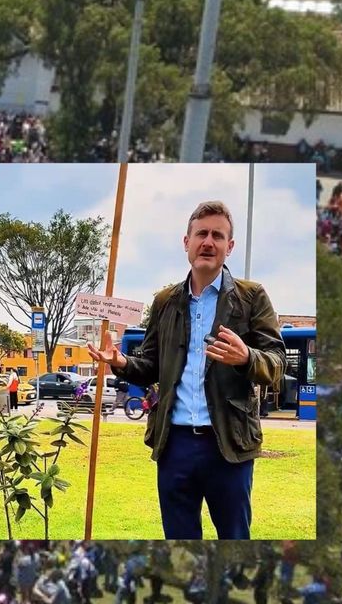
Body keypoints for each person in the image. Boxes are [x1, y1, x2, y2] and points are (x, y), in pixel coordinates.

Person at [86, 200, 285, 540]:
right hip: (174, 444)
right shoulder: (165, 301)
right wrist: (120, 362)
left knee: (234, 537)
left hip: (228, 445)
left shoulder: (252, 297)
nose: (208, 242)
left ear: (229, 247)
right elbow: (149, 365)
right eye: (201, 234)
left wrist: (247, 358)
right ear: (186, 242)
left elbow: (276, 364)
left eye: (218, 236)